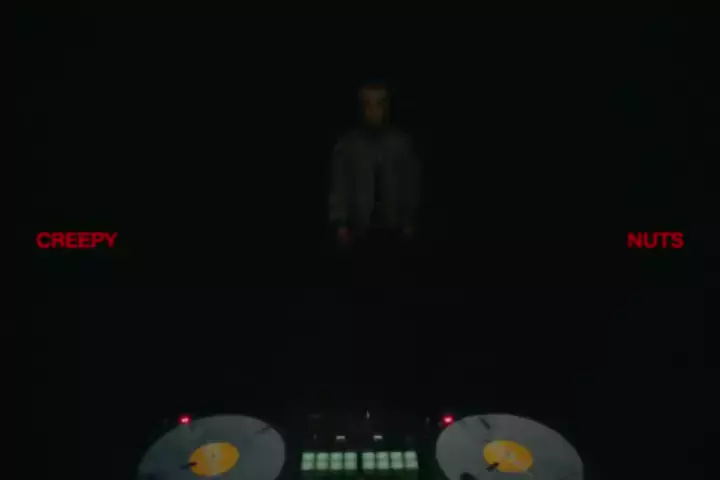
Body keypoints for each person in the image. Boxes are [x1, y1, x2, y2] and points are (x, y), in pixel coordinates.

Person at [328, 81, 421, 250]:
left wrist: (409, 219)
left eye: (379, 104)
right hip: (358, 228)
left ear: (387, 107)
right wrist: (341, 223)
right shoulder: (348, 145)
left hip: (394, 226)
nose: (374, 110)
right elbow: (340, 185)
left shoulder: (401, 144)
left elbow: (410, 183)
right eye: (368, 104)